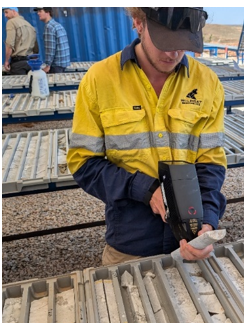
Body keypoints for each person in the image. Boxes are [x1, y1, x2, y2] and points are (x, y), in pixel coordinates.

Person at [67, 7, 227, 265]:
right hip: (130, 243)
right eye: (164, 42)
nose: (172, 53)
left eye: (182, 44)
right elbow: (84, 163)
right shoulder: (99, 80)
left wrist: (206, 221)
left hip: (190, 240)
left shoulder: (207, 82)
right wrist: (144, 189)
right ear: (138, 23)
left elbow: (211, 162)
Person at [34, 7, 70, 73]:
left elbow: (50, 49)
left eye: (40, 11)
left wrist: (48, 65)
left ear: (48, 12)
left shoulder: (49, 27)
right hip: (63, 63)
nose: (38, 13)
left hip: (56, 66)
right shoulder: (58, 25)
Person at [3, 7, 37, 75]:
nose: (5, 15)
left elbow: (9, 44)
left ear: (13, 11)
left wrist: (6, 61)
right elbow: (36, 49)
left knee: (17, 85)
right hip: (30, 63)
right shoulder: (30, 25)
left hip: (18, 64)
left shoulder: (11, 22)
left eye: (6, 12)